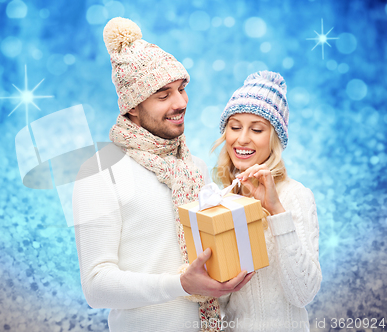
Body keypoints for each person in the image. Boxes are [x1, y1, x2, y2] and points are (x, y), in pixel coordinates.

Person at [73, 17, 253, 332]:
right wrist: (180, 285)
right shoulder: (99, 173)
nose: (181, 102)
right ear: (131, 107)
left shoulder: (194, 168)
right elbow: (96, 286)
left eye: (182, 89)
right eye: (163, 94)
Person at [211, 71, 322, 331]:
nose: (242, 139)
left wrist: (275, 211)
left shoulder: (294, 195)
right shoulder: (222, 197)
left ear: (274, 139)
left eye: (257, 129)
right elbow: (222, 303)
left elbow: (304, 294)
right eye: (235, 126)